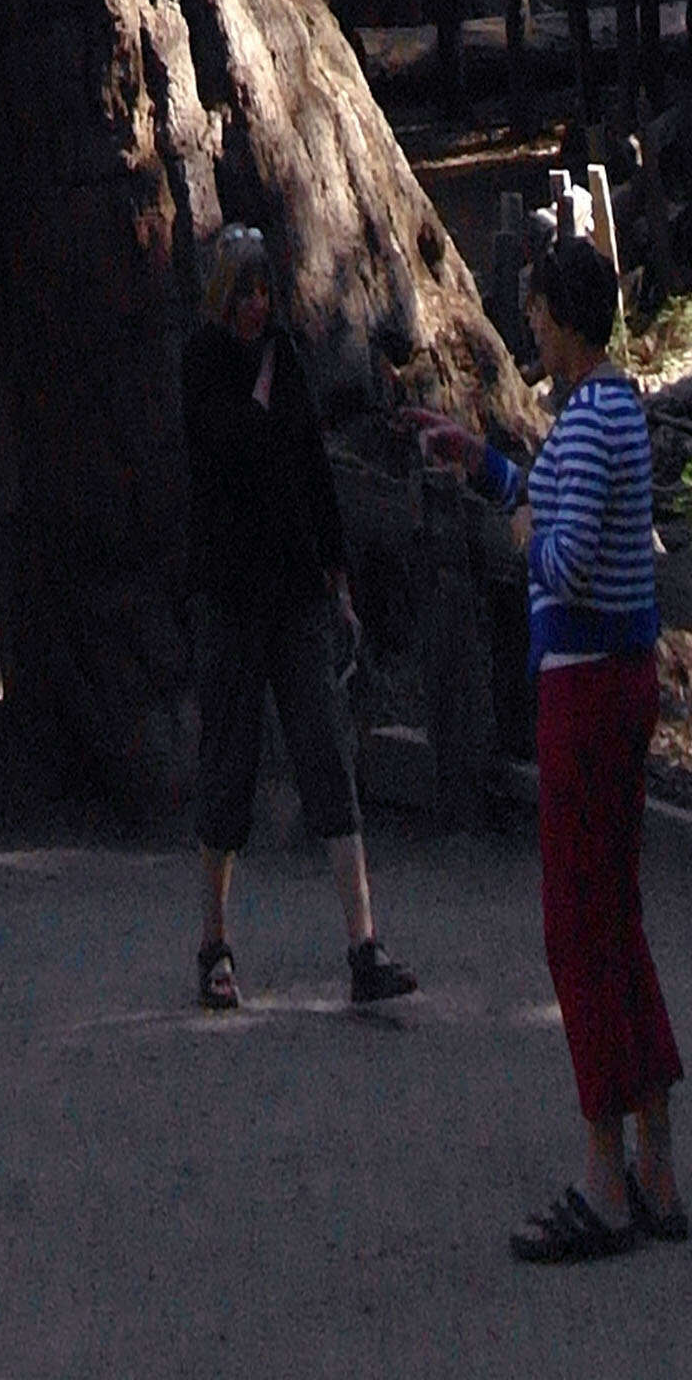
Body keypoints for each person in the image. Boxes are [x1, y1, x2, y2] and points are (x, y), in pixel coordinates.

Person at [428, 229, 685, 1264]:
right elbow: (563, 494)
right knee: (617, 919)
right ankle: (657, 1164)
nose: (525, 321)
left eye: (534, 308)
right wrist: (487, 464)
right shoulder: (613, 411)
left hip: (583, 689)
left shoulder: (589, 421)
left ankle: (602, 1175)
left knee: (574, 931)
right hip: (625, 678)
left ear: (566, 317)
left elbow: (567, 555)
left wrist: (524, 522)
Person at [183, 227, 416, 1020]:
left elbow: (312, 473)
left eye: (262, 293)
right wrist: (253, 404)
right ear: (222, 296)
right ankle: (214, 941)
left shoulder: (288, 361)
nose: (254, 307)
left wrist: (337, 575)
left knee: (325, 751)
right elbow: (223, 453)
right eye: (241, 293)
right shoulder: (203, 364)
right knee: (228, 762)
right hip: (228, 596)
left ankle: (364, 945)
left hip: (293, 596)